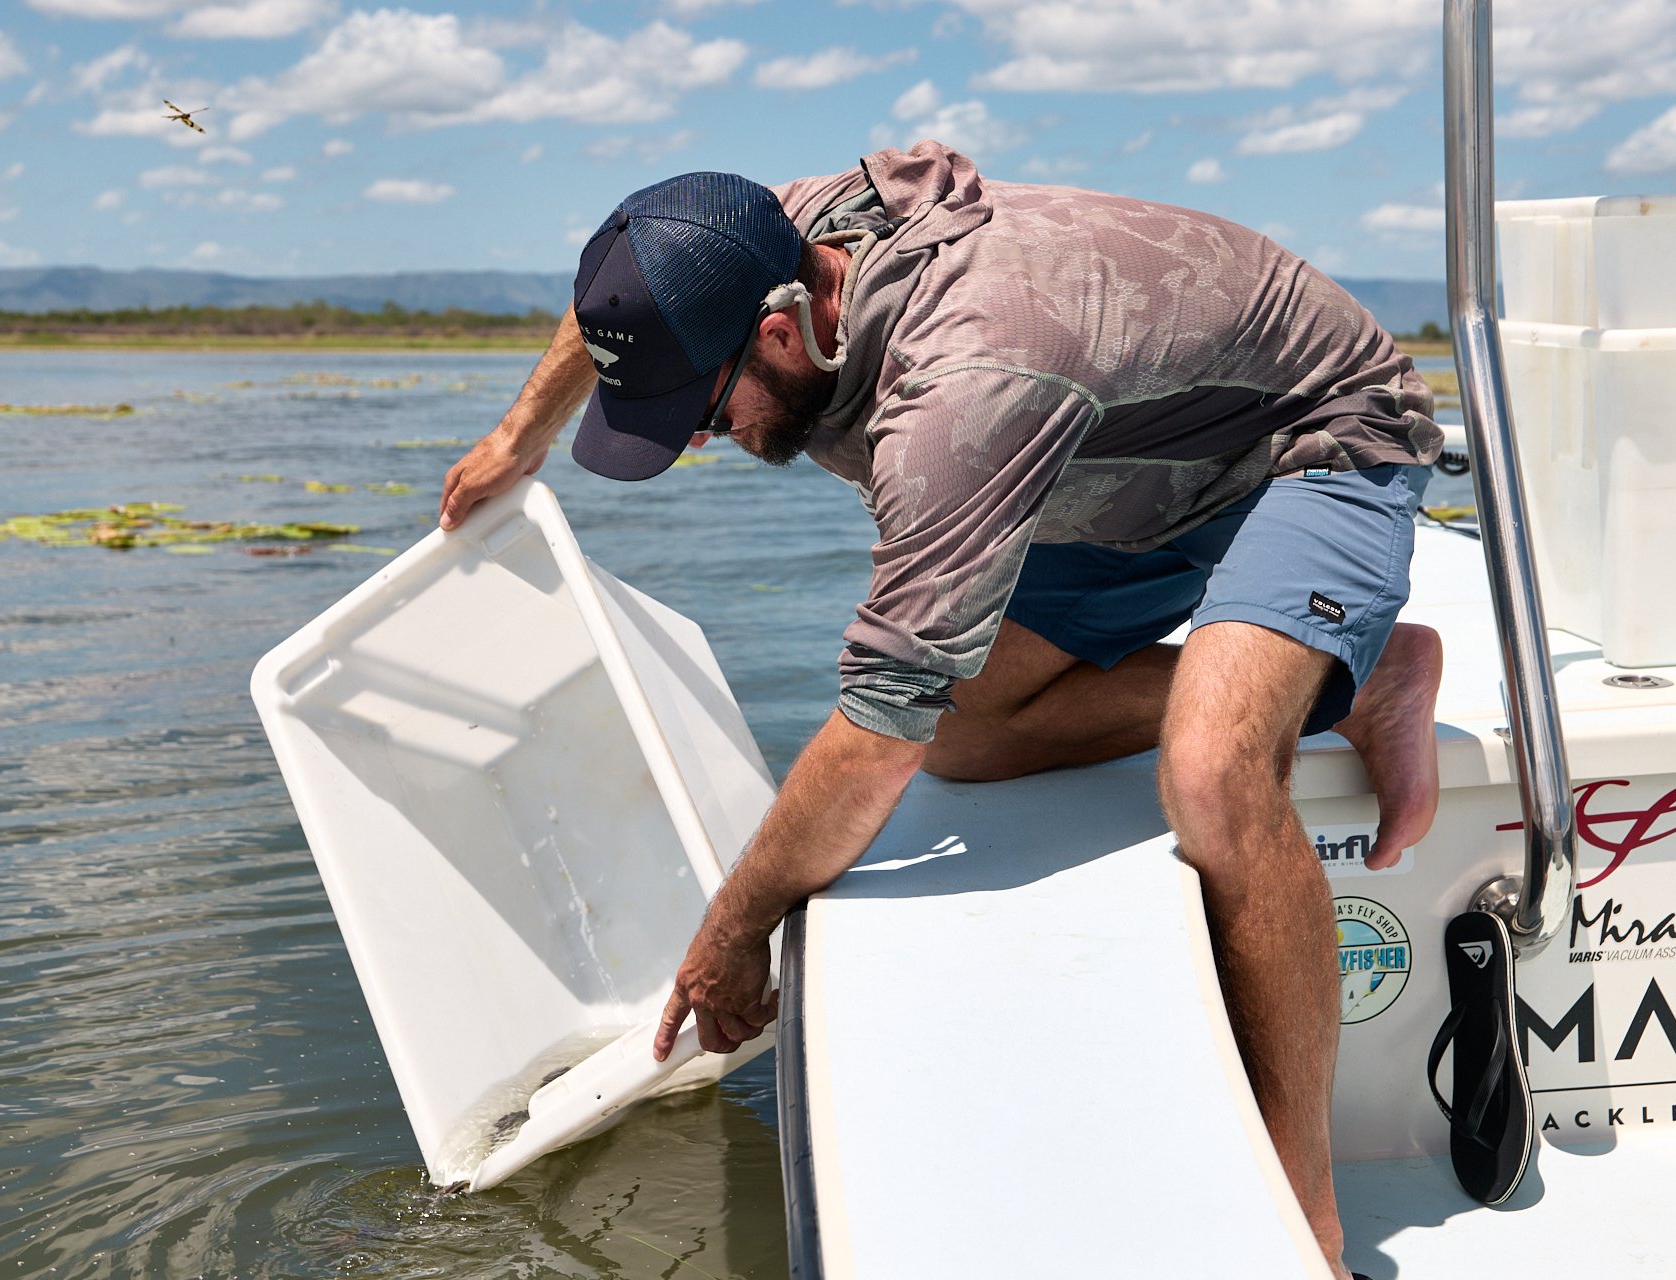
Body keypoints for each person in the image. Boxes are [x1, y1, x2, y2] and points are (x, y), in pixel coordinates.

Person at [439, 142, 1444, 1279]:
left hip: (1311, 439)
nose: (696, 443)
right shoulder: (755, 239)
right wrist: (516, 437)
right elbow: (633, 274)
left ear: (779, 329)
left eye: (702, 407)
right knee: (971, 736)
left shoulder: (962, 390)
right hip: (1121, 461)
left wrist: (730, 936)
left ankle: (1300, 1227)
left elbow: (876, 731)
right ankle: (1352, 677)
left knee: (1213, 771)